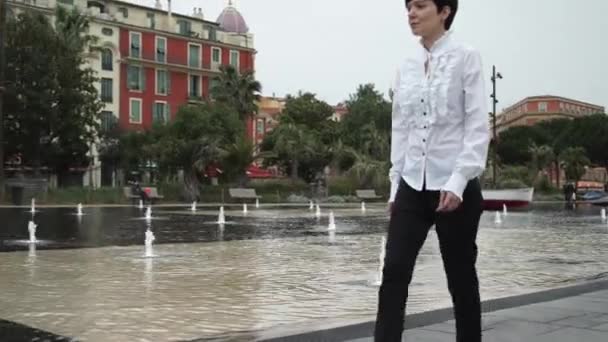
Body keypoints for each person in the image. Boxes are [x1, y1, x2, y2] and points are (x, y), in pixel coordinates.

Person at [374, 1, 490, 341]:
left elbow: (477, 125)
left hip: (454, 185)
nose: (411, 13)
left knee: (460, 277)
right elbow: (401, 128)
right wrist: (395, 185)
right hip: (411, 183)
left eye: (420, 5)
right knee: (393, 271)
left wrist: (458, 181)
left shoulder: (466, 57)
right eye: (408, 7)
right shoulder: (406, 65)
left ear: (444, 11)